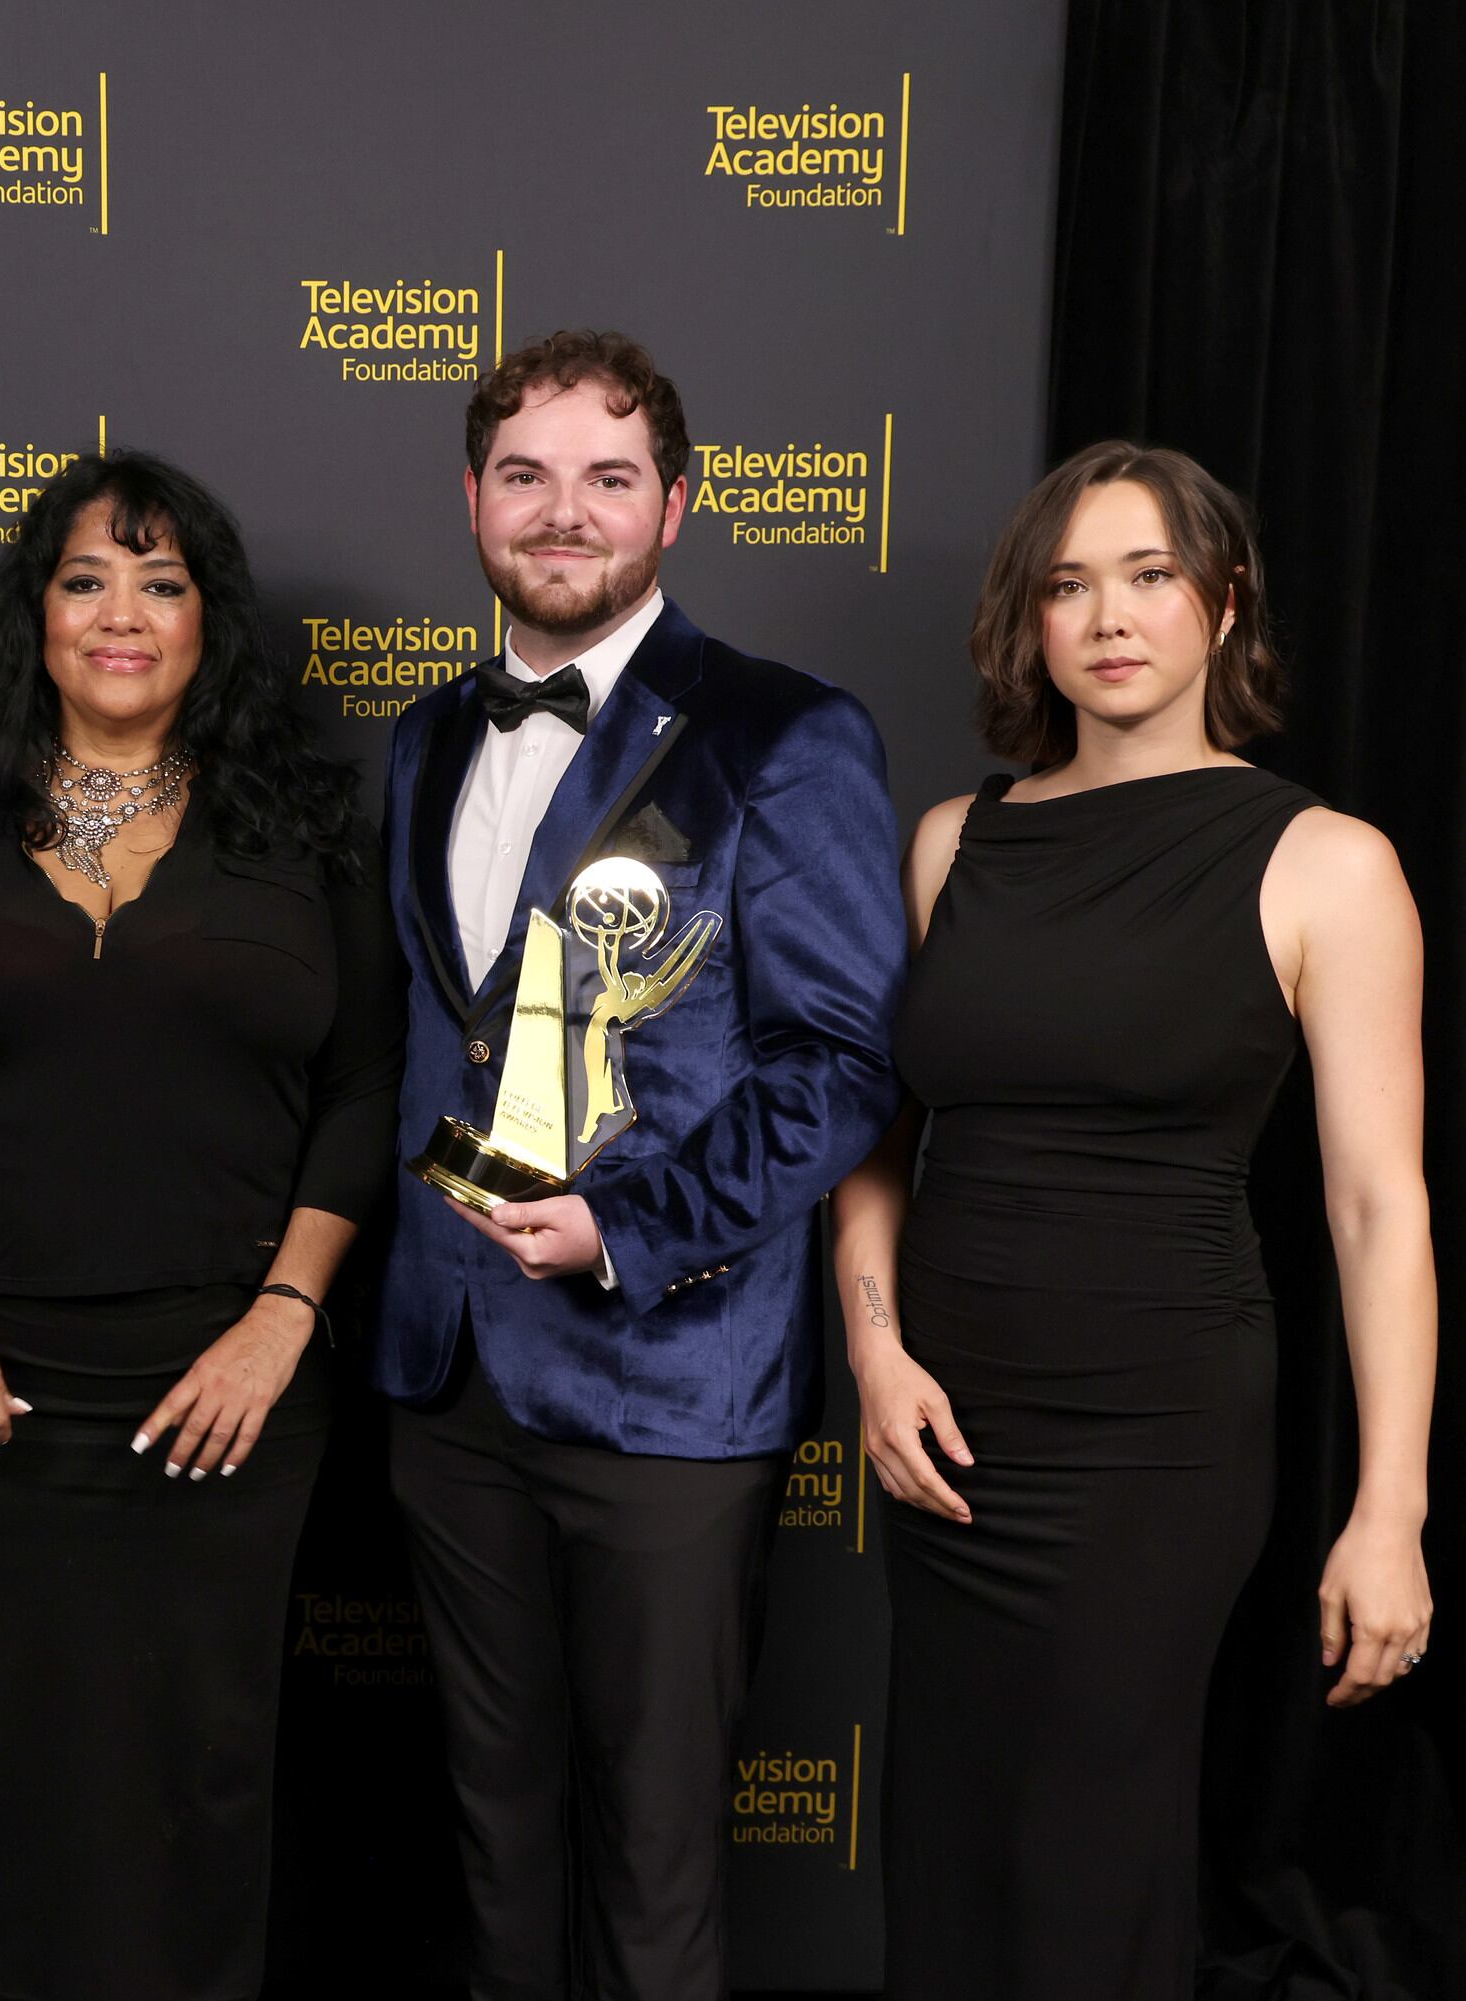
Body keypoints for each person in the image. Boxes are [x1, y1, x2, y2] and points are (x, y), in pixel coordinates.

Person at [832, 443, 1435, 2000]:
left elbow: (1378, 1208)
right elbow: (881, 1141)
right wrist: (875, 1354)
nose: (1108, 616)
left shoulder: (1327, 865)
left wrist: (1391, 1510)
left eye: (1149, 574)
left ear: (1224, 604)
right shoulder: (954, 843)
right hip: (950, 1429)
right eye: (1067, 584)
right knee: (950, 1840)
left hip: (1156, 1448)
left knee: (1092, 1853)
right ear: (1030, 623)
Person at [0, 450, 401, 2001]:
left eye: (162, 580)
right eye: (87, 579)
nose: (122, 613)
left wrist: (283, 1319)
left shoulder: (306, 823)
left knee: (200, 1777)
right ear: (37, 610)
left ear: (212, 617)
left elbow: (364, 1086)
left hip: (226, 1391)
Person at [370, 331, 905, 1998]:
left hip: (667, 1374)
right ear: (472, 500)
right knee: (493, 1838)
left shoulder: (781, 735)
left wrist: (622, 1225)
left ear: (675, 505)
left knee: (658, 1860)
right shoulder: (426, 737)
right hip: (448, 1377)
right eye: (524, 475)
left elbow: (841, 1066)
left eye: (610, 478)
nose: (562, 513)